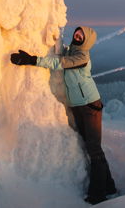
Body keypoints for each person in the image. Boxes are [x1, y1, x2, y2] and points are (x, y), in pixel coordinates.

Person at [10, 26, 117, 205]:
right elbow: (59, 54)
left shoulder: (82, 57)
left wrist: (32, 60)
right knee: (93, 148)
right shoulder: (71, 51)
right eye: (77, 32)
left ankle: (98, 195)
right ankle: (109, 186)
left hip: (90, 106)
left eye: (81, 35)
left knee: (94, 150)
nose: (77, 35)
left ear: (87, 40)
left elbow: (59, 63)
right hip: (78, 106)